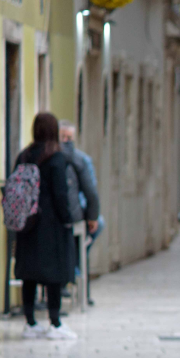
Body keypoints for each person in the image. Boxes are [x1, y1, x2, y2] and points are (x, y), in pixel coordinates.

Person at [14, 113, 78, 340]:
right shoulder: (56, 158)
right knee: (54, 275)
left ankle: (30, 322)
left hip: (27, 224)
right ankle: (55, 323)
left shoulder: (24, 155)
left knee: (28, 275)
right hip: (50, 226)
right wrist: (67, 219)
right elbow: (61, 193)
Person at [59, 121, 102, 305]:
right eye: (63, 137)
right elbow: (91, 192)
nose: (66, 142)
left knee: (96, 226)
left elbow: (90, 192)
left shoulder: (81, 160)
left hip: (75, 215)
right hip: (69, 218)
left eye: (70, 138)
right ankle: (74, 268)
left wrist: (91, 217)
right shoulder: (76, 159)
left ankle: (74, 266)